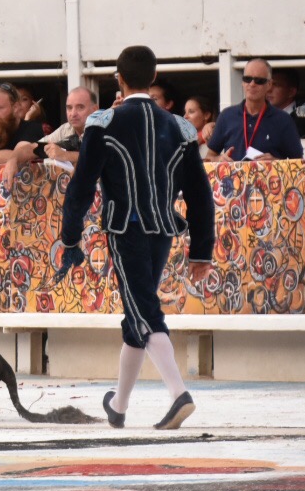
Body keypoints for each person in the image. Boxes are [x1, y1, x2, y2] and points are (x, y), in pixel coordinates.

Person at [57, 45, 213, 433]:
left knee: (144, 310)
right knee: (137, 313)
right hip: (162, 231)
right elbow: (199, 195)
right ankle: (119, 404)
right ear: (153, 77)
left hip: (126, 229)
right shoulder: (179, 127)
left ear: (119, 80)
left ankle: (179, 394)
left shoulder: (103, 123)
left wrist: (70, 238)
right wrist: (202, 251)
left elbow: (81, 187)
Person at [206, 58, 303, 161]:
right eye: (247, 79)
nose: (252, 84)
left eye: (259, 81)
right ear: (243, 82)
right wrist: (219, 159)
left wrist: (275, 163)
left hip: (268, 177)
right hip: (233, 177)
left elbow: (298, 163)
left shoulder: (283, 120)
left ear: (269, 84)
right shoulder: (226, 116)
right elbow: (209, 158)